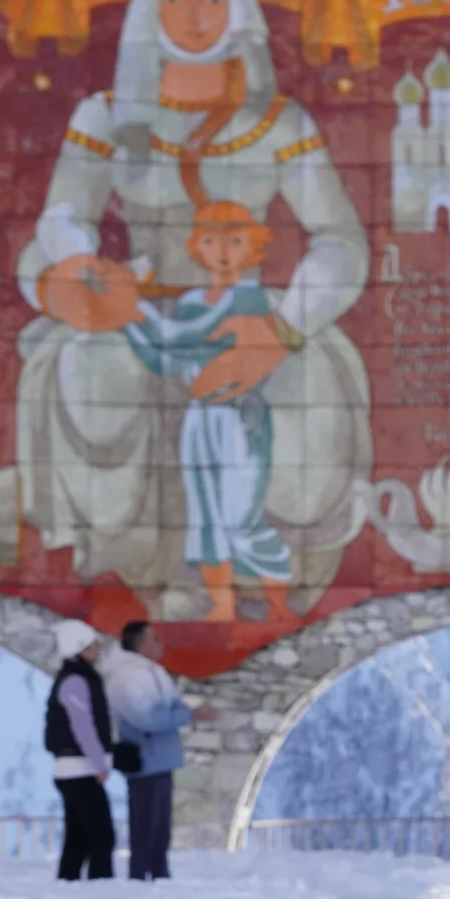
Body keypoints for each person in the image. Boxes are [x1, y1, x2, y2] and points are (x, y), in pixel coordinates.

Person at [14, 0, 370, 614]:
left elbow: (341, 240)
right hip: (138, 309)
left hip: (247, 308)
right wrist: (66, 288)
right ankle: (129, 559)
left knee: (299, 386)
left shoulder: (278, 121)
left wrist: (282, 328)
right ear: (151, 9)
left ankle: (260, 559)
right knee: (97, 368)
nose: (195, 16)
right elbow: (53, 231)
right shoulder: (105, 115)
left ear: (238, 11)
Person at [117, 200, 294, 621]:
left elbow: (188, 339)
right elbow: (165, 360)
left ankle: (279, 604)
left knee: (242, 517)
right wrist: (127, 320)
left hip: (239, 416)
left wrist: (131, 308)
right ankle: (222, 604)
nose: (223, 251)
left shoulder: (251, 299)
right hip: (201, 420)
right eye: (212, 240)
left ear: (253, 246)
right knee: (207, 516)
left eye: (236, 240)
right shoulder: (193, 300)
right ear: (198, 246)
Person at [97, 619, 195, 882]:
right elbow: (148, 718)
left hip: (161, 757)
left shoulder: (154, 672)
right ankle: (140, 874)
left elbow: (171, 707)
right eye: (155, 639)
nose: (160, 644)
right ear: (141, 645)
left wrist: (177, 713)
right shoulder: (126, 677)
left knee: (160, 823)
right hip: (145, 758)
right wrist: (182, 714)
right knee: (146, 822)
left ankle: (159, 870)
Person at [43, 619, 116, 882]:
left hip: (74, 770)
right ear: (79, 649)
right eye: (93, 646)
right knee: (101, 834)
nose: (97, 651)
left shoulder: (76, 678)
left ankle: (68, 883)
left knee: (79, 836)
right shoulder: (76, 681)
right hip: (79, 770)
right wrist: (99, 763)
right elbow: (83, 726)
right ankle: (100, 885)